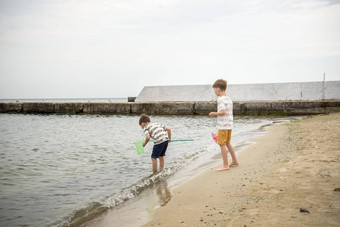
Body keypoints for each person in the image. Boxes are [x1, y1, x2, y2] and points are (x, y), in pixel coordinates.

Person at [209, 79, 239, 171]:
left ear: (219, 88)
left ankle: (225, 165)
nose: (214, 91)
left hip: (223, 126)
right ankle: (234, 161)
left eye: (215, 89)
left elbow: (223, 112)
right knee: (228, 143)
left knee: (222, 144)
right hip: (229, 125)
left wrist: (213, 113)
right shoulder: (228, 99)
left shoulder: (220, 99)